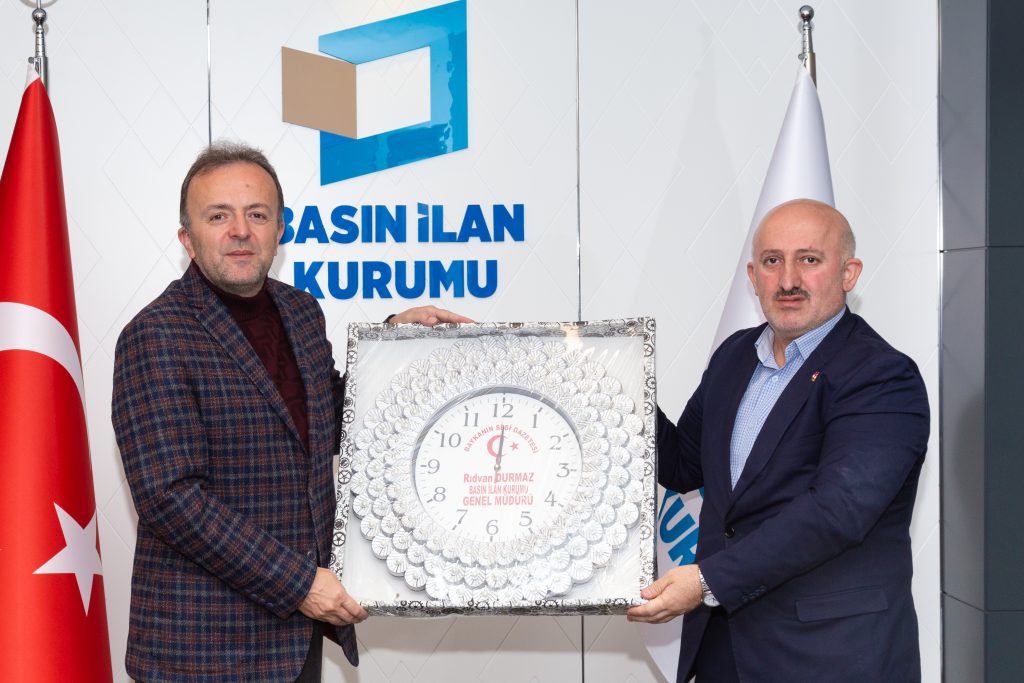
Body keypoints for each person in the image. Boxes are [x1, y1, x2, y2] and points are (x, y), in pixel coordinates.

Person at [112, 141, 471, 681]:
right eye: (219, 216)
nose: (241, 230)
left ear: (280, 230)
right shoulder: (155, 333)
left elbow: (331, 421)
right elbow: (172, 499)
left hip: (293, 644)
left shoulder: (300, 310)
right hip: (203, 650)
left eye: (257, 215)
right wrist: (300, 584)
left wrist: (392, 345)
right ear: (187, 238)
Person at [627, 199, 929, 682]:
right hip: (723, 651)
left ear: (848, 273)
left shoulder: (882, 376)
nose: (788, 279)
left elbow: (836, 512)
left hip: (828, 658)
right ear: (753, 276)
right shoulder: (734, 356)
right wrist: (611, 388)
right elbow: (684, 464)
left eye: (809, 259)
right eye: (772, 261)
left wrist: (705, 581)